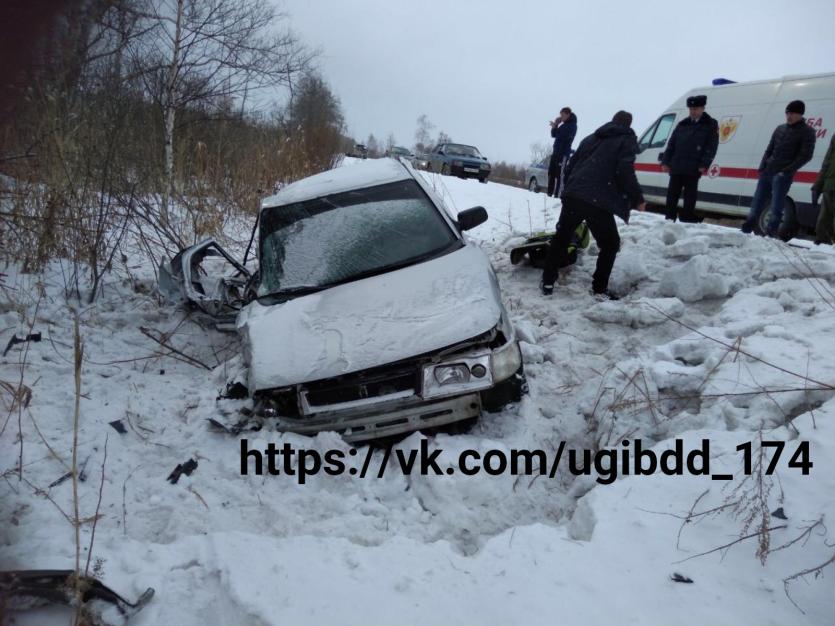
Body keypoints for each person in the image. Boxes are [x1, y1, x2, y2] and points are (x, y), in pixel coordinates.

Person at [541, 110, 646, 299]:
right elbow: (625, 171)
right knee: (610, 243)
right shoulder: (626, 140)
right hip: (597, 200)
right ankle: (599, 288)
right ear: (629, 125)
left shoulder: (592, 137)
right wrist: (637, 198)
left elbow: (572, 164)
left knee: (562, 238)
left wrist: (570, 188)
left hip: (575, 194)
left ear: (612, 120)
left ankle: (547, 281)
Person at [741, 100, 816, 239]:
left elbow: (806, 155)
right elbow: (769, 149)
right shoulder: (780, 128)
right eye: (787, 113)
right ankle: (747, 227)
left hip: (783, 175)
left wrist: (786, 171)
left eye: (792, 113)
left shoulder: (807, 131)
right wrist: (762, 167)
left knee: (776, 205)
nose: (789, 116)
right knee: (757, 201)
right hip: (767, 171)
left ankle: (771, 232)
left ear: (800, 114)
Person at [661, 94, 719, 222]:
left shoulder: (710, 124)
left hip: (694, 166)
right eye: (691, 109)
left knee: (690, 196)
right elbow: (672, 144)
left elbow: (712, 146)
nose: (693, 112)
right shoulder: (683, 124)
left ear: (702, 108)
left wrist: (704, 163)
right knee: (672, 195)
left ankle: (686, 220)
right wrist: (666, 161)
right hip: (677, 165)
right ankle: (669, 219)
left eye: (696, 109)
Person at [547, 107, 577, 197]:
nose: (561, 117)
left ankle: (558, 195)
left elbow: (561, 136)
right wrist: (555, 125)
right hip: (555, 152)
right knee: (551, 173)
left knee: (560, 175)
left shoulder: (572, 125)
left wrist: (556, 127)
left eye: (562, 115)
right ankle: (549, 193)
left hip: (563, 154)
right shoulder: (563, 125)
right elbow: (554, 135)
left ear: (568, 114)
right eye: (560, 115)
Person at [812, 134, 835, 245]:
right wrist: (817, 187)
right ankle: (823, 242)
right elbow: (826, 163)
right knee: (823, 220)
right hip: (830, 186)